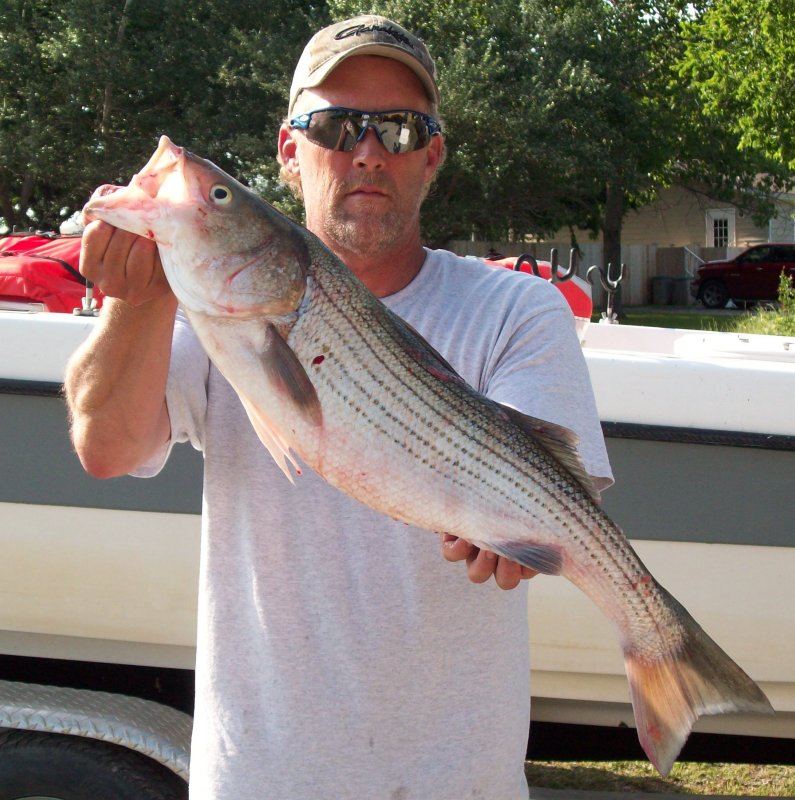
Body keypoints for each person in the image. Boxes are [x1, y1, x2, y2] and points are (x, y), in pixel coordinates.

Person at [66, 15, 612, 800]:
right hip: (260, 779)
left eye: (398, 128)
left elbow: (555, 491)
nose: (367, 151)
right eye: (334, 125)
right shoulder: (208, 317)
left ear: (433, 156)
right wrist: (137, 301)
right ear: (290, 152)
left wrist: (511, 533)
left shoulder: (515, 310)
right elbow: (106, 448)